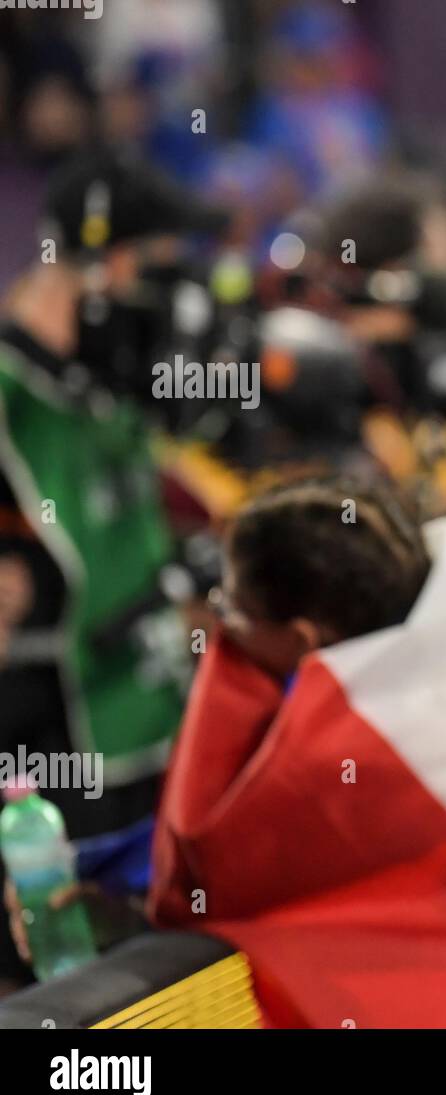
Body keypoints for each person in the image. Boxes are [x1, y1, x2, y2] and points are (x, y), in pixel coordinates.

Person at [149, 477, 446, 1027]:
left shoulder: (365, 756)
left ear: (305, 638)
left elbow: (211, 875)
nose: (223, 626)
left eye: (232, 608)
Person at [0, 148, 224, 989]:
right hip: (43, 795)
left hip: (151, 763)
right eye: (162, 268)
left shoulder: (104, 397)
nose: (178, 298)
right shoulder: (11, 399)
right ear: (103, 265)